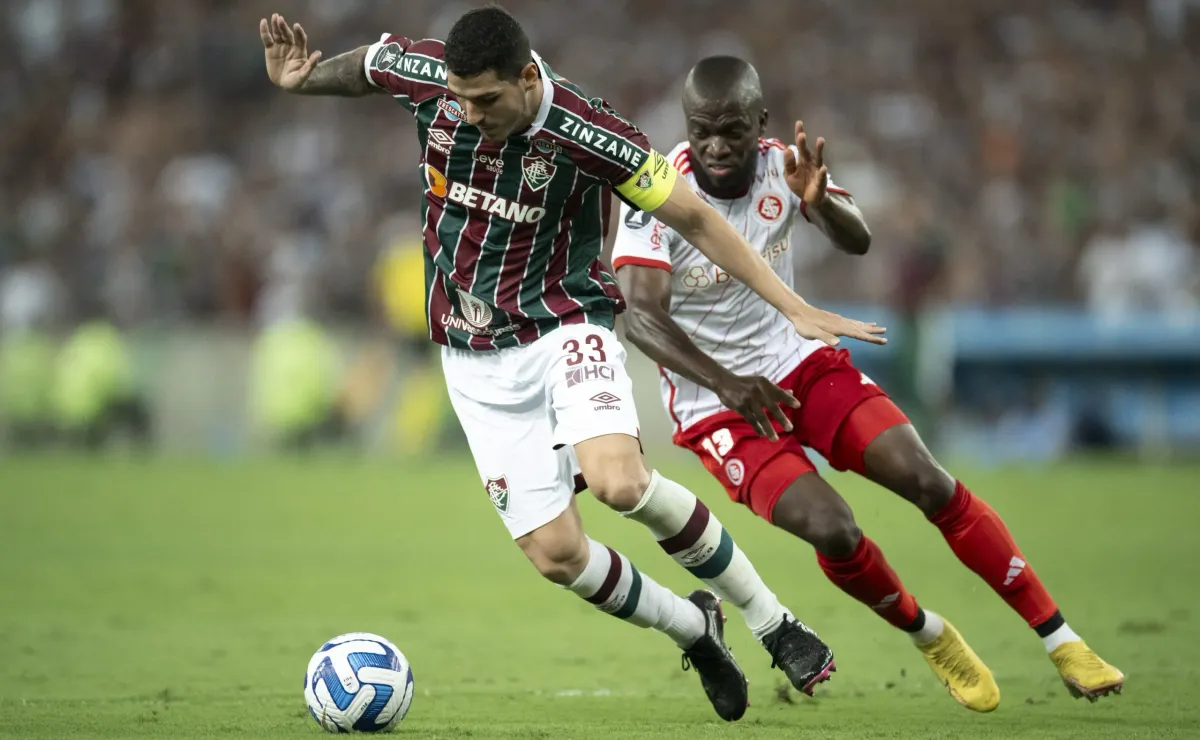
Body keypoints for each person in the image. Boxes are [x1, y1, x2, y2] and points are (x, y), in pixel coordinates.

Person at [259, 8, 886, 721]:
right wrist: (302, 81)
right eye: (461, 100)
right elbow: (368, 64)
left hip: (565, 324)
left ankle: (774, 622)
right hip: (472, 356)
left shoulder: (591, 133)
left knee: (620, 483)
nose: (470, 115)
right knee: (559, 555)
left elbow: (699, 220)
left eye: (487, 101)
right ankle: (694, 628)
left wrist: (791, 304)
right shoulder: (431, 77)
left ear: (528, 77)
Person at [612, 56, 1124, 713]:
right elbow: (642, 320)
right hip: (718, 407)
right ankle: (928, 633)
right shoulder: (656, 192)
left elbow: (858, 241)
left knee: (927, 479)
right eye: (701, 129)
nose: (715, 145)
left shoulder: (781, 164)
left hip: (797, 362)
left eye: (732, 130)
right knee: (836, 531)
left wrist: (820, 203)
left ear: (759, 122)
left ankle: (1062, 639)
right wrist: (730, 385)